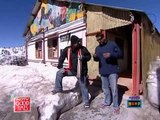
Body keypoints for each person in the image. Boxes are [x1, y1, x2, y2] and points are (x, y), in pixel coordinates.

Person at [52, 35, 91, 108]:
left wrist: (84, 57)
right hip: (72, 70)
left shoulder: (83, 49)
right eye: (76, 43)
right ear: (72, 44)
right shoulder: (67, 49)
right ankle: (58, 90)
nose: (78, 44)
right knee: (59, 73)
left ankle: (86, 102)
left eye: (78, 42)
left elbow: (89, 56)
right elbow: (61, 58)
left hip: (81, 71)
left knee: (83, 86)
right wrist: (60, 67)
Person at [93, 32, 122, 114]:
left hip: (113, 70)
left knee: (114, 89)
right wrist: (95, 57)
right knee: (105, 89)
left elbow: (120, 54)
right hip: (103, 71)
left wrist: (111, 54)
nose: (99, 41)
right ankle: (107, 102)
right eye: (98, 40)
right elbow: (97, 59)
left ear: (104, 37)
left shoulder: (112, 44)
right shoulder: (97, 48)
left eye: (100, 39)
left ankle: (116, 106)